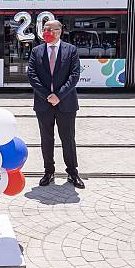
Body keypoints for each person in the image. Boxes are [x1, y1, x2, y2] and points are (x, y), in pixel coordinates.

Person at [27, 20, 84, 189]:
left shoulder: (71, 50)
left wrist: (58, 95)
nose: (47, 32)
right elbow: (32, 75)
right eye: (44, 29)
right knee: (46, 139)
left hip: (66, 102)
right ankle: (48, 171)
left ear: (59, 31)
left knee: (68, 139)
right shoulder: (36, 51)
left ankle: (72, 173)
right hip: (43, 104)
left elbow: (74, 76)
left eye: (50, 29)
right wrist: (47, 96)